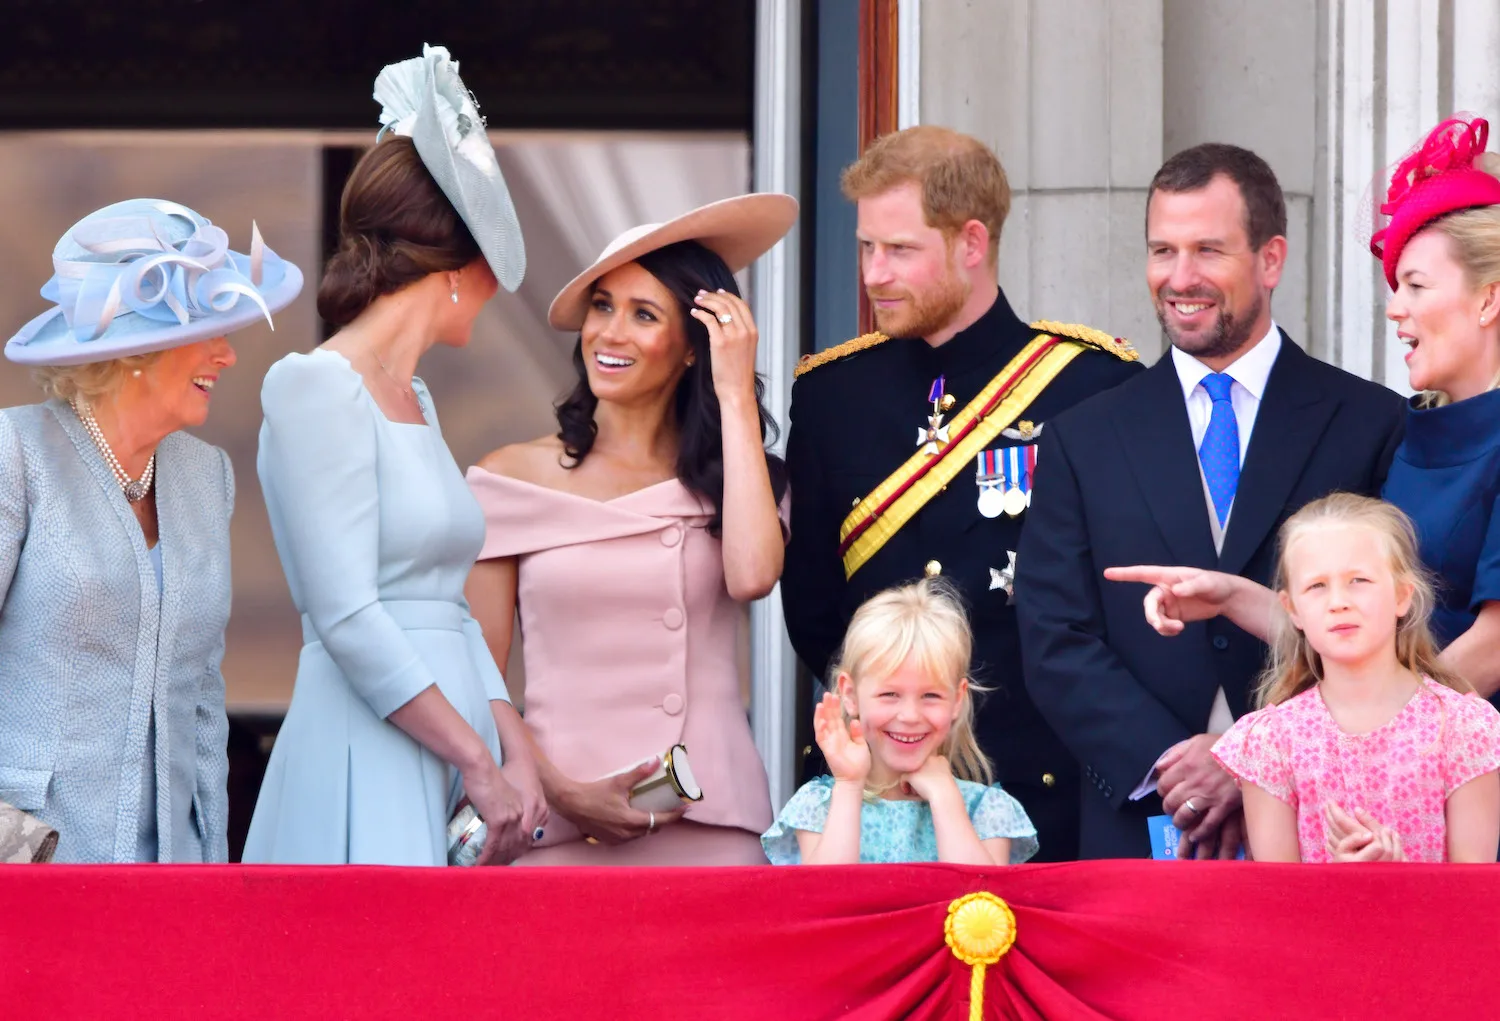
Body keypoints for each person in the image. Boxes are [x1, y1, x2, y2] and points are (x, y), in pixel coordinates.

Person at [1016, 142, 1408, 860]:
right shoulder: (1083, 436)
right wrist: (1172, 765)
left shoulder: (1371, 423)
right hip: (1139, 826)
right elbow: (1054, 637)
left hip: (1327, 821)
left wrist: (1248, 756)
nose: (1180, 277)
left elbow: (1385, 631)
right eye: (1162, 250)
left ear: (1271, 259)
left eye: (1208, 250)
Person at [780, 125, 1143, 863]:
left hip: (1039, 784)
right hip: (878, 792)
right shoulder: (830, 393)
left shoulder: (1091, 385)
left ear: (971, 244)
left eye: (900, 250)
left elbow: (1113, 607)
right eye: (865, 248)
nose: (874, 273)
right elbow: (816, 607)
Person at [243, 46, 542, 866]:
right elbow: (344, 612)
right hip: (368, 740)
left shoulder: (419, 399)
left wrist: (512, 742)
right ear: (455, 267)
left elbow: (446, 602)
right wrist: (476, 757)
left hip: (454, 747)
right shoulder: (312, 385)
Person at [1112, 116, 1500, 704]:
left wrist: (1370, 737)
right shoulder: (1417, 431)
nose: (1395, 310)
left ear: (1488, 298)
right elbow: (1363, 626)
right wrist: (1230, 596)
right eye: (1396, 286)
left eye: (1416, 287)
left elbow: (1493, 647)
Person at [464, 194, 796, 865]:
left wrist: (735, 391)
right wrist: (560, 790)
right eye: (602, 305)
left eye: (643, 315)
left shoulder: (748, 482)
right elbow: (477, 675)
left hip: (711, 827)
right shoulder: (509, 477)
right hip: (555, 826)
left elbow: (754, 575)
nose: (609, 333)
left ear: (692, 349)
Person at [0, 197, 303, 862]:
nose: (227, 355)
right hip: (29, 869)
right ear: (136, 349)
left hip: (169, 875)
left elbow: (201, 700)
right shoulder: (15, 454)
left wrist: (211, 863)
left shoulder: (207, 476)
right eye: (208, 329)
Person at [1210, 495, 1500, 863]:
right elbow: (1278, 900)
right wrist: (1344, 887)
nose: (1338, 602)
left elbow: (1474, 897)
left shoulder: (1464, 729)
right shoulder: (1269, 742)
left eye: (1358, 580)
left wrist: (1397, 878)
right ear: (1292, 610)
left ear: (1402, 596)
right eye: (1317, 586)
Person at [761, 579, 1037, 865]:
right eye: (889, 694)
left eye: (930, 695)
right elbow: (830, 899)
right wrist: (850, 784)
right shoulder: (819, 806)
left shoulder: (986, 811)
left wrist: (945, 796)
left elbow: (981, 900)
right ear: (850, 695)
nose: (909, 716)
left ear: (957, 700)